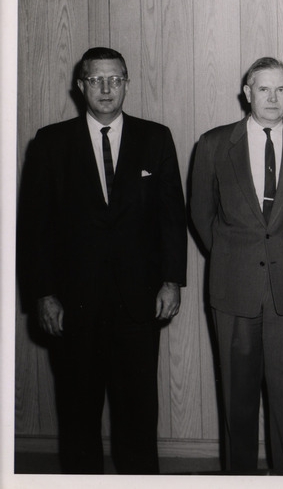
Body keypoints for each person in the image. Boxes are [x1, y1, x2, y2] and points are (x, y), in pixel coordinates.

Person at [18, 47, 187, 474]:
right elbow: (33, 229)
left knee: (138, 417)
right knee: (78, 417)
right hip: (74, 307)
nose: (107, 88)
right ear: (81, 86)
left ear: (127, 82)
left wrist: (172, 281)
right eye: (96, 80)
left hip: (139, 304)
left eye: (115, 79)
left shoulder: (156, 137)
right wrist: (42, 294)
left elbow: (172, 218)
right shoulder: (50, 143)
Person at [190, 57, 283, 472]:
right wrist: (237, 256)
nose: (273, 98)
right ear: (246, 92)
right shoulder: (214, 144)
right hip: (235, 290)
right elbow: (201, 215)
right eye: (263, 89)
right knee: (237, 403)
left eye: (281, 89)